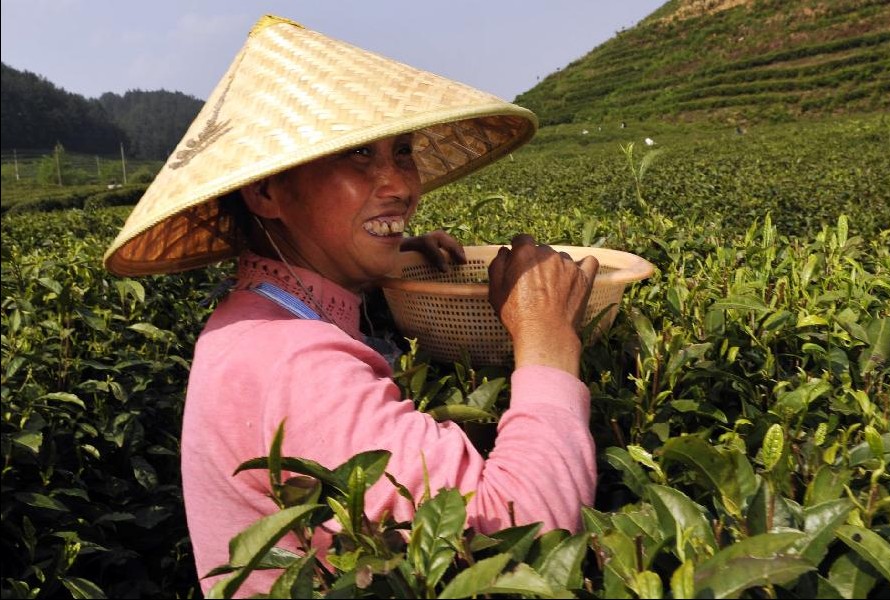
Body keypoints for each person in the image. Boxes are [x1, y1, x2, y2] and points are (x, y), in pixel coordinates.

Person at [103, 14, 599, 596]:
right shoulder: (291, 362)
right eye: (359, 154)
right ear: (267, 191)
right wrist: (547, 340)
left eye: (404, 150)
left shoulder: (261, 315)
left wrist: (389, 257)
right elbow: (519, 536)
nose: (400, 184)